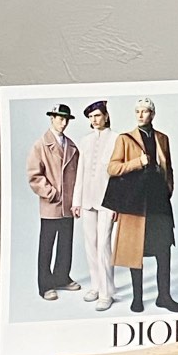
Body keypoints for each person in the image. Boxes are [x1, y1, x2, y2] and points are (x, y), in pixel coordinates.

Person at [103, 98, 178, 313]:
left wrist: (168, 190)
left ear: (152, 114)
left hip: (158, 201)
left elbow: (168, 168)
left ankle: (164, 296)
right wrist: (138, 162)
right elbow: (112, 168)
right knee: (134, 249)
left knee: (163, 249)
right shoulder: (125, 139)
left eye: (145, 111)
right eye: (137, 111)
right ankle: (137, 298)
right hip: (135, 201)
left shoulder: (162, 138)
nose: (140, 115)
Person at [26, 104, 80, 301]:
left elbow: (79, 176)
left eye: (66, 119)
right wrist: (51, 193)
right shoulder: (40, 145)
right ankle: (45, 285)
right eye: (60, 118)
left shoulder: (72, 146)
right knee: (46, 246)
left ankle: (62, 277)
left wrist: (77, 199)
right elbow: (34, 175)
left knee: (66, 243)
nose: (63, 123)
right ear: (52, 118)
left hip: (68, 205)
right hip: (51, 204)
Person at [73, 99, 117, 311]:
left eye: (98, 115)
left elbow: (119, 177)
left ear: (106, 116)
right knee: (90, 245)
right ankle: (96, 286)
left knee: (103, 245)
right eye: (91, 117)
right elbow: (80, 172)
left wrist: (117, 204)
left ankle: (107, 293)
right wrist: (76, 201)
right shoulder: (85, 141)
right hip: (87, 199)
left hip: (108, 201)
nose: (94, 120)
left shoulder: (117, 139)